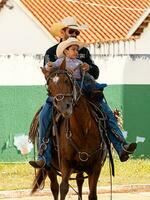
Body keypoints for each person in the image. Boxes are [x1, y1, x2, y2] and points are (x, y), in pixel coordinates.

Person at [29, 17, 137, 169]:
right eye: (71, 31)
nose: (74, 34)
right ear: (62, 32)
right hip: (60, 93)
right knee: (44, 116)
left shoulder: (83, 51)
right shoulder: (51, 52)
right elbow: (48, 75)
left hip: (84, 90)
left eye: (76, 32)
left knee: (105, 111)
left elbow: (95, 71)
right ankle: (43, 157)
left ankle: (121, 147)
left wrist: (89, 68)